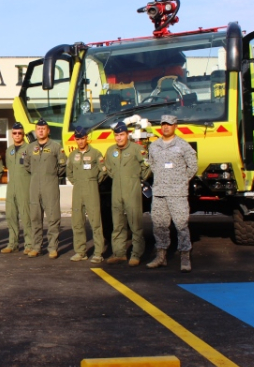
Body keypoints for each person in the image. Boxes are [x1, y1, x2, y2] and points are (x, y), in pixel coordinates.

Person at [146, 114, 198, 272]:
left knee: (181, 225)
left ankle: (185, 257)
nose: (165, 127)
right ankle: (161, 256)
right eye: (163, 124)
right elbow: (152, 165)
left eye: (169, 124)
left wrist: (181, 180)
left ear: (175, 126)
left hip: (177, 193)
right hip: (160, 192)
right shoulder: (154, 146)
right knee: (159, 226)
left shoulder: (183, 145)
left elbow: (193, 166)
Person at [105, 121, 151, 266]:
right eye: (117, 135)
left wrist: (136, 179)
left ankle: (136, 254)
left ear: (127, 135)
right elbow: (109, 168)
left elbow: (146, 167)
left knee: (135, 223)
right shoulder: (110, 151)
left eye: (121, 135)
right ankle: (119, 253)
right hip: (117, 190)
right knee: (117, 223)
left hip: (132, 189)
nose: (119, 138)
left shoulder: (137, 149)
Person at [24, 118, 66, 258]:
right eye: (38, 129)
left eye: (43, 129)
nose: (40, 131)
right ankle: (36, 246)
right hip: (35, 186)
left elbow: (62, 166)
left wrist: (51, 175)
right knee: (35, 217)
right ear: (36, 131)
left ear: (48, 130)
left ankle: (53, 247)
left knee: (53, 217)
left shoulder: (55, 146)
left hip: (50, 186)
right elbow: (27, 165)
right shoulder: (30, 148)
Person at [67, 126, 106, 262]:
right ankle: (80, 252)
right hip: (78, 189)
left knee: (95, 222)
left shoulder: (95, 153)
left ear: (86, 138)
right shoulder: (73, 155)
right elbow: (69, 172)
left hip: (91, 188)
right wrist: (76, 182)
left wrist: (94, 182)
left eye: (82, 138)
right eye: (78, 139)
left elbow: (103, 171)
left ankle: (98, 253)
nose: (80, 141)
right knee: (77, 221)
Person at [3, 122, 33, 254]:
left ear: (23, 134)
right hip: (11, 187)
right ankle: (12, 244)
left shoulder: (29, 149)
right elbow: (8, 167)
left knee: (26, 216)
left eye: (19, 133)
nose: (17, 135)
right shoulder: (8, 150)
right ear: (12, 134)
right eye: (14, 133)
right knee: (11, 215)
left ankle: (29, 244)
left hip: (24, 186)